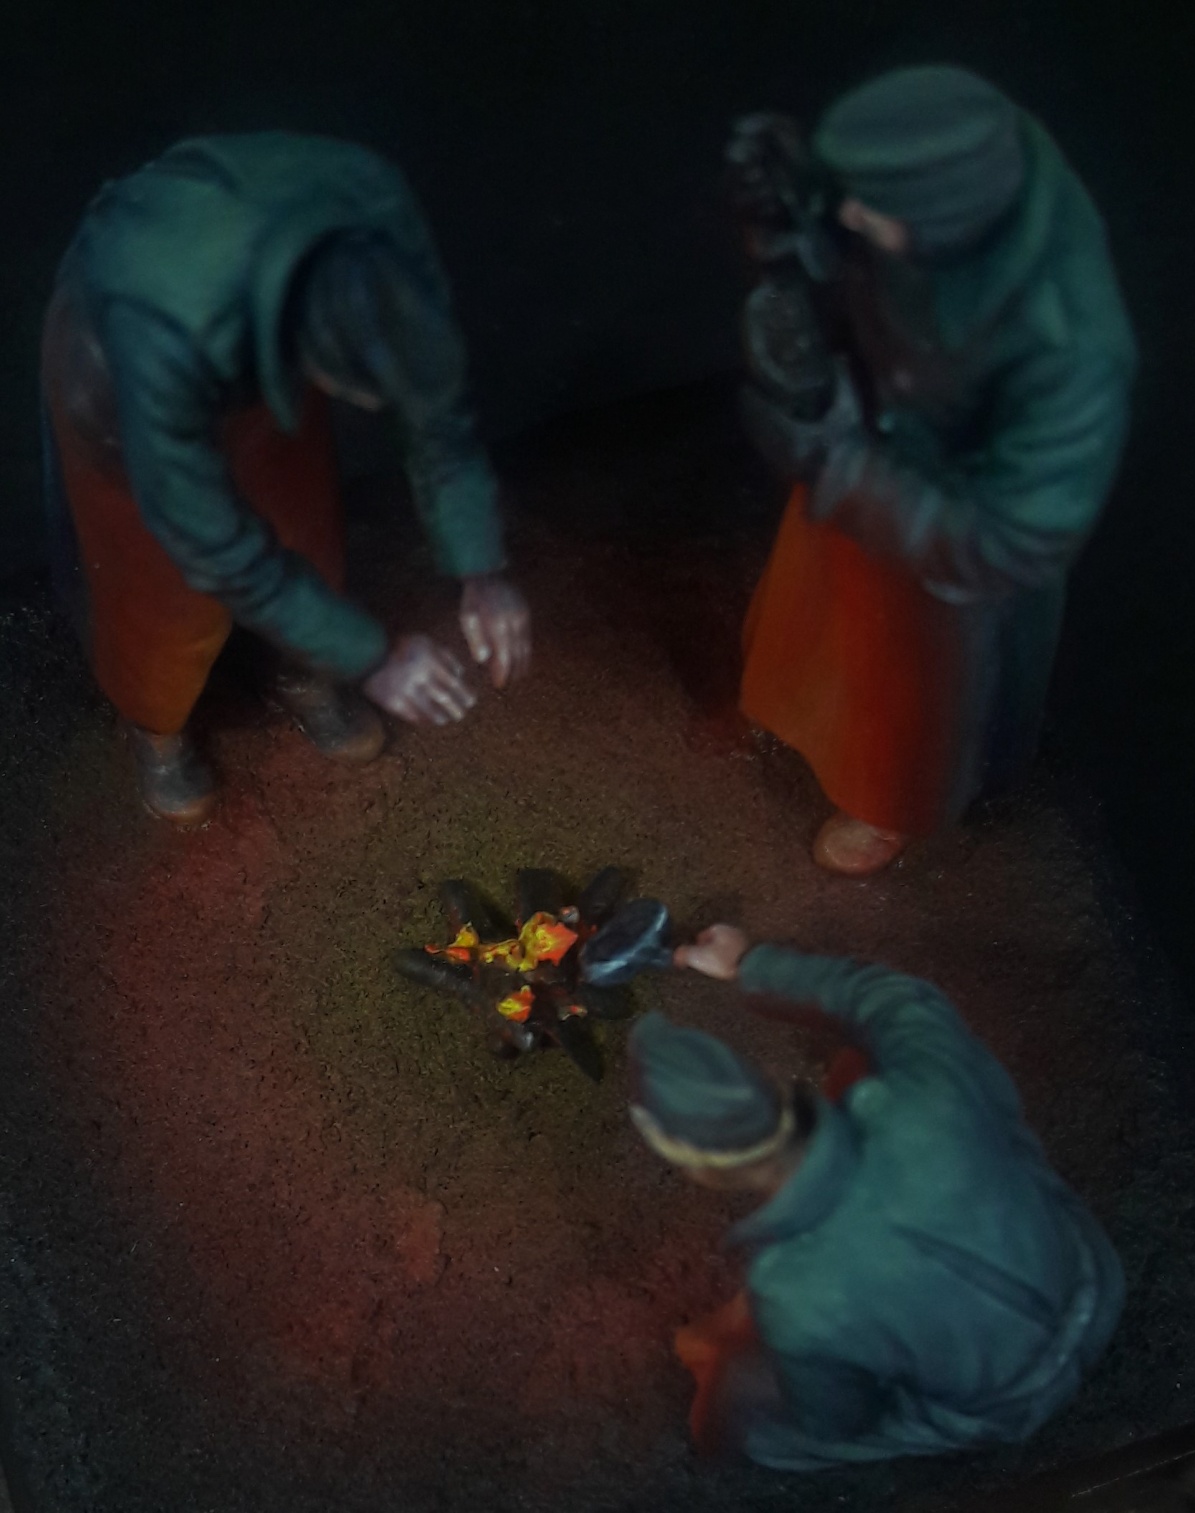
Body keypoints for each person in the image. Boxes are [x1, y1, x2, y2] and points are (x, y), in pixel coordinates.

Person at [42, 131, 531, 825]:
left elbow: (435, 405)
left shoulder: (374, 208)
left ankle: (305, 672)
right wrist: (374, 655)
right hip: (124, 381)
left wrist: (479, 567)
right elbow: (211, 544)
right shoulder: (150, 346)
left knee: (305, 522)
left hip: (252, 329)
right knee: (159, 590)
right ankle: (158, 725)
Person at [728, 66, 1136, 875]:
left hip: (946, 525)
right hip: (879, 424)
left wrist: (841, 467)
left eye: (870, 208)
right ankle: (800, 706)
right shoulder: (962, 171)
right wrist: (791, 227)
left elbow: (1008, 540)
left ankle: (887, 800)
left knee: (913, 681)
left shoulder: (1069, 355)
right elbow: (855, 238)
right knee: (818, 608)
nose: (852, 215)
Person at [627, 923, 1125, 1472]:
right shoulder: (921, 1092)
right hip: (1093, 1275)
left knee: (753, 1408)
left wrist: (755, 1362)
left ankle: (720, 1427)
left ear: (697, 1167)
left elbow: (840, 1419)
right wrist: (747, 962)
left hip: (1009, 1399)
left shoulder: (795, 1290)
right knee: (871, 1055)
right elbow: (894, 998)